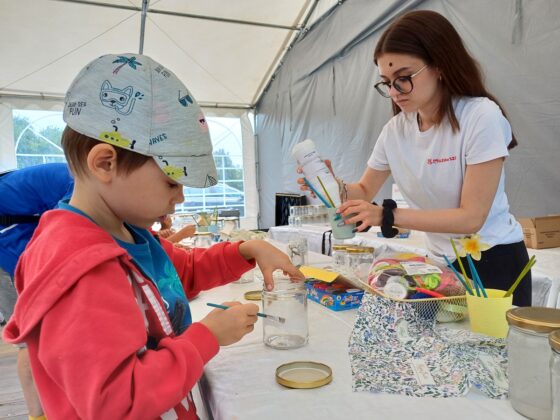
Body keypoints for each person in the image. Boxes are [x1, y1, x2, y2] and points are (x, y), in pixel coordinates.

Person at [3, 53, 304, 419]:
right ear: (104, 163)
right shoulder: (81, 268)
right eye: (171, 181)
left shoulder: (126, 232)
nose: (180, 196)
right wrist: (206, 337)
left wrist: (245, 250)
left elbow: (181, 273)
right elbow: (118, 402)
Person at [298, 10, 531, 306]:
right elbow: (364, 191)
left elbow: (472, 217)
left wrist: (387, 215)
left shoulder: (480, 117)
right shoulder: (396, 130)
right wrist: (331, 185)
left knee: (497, 350)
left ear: (440, 66)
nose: (394, 92)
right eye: (386, 82)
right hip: (441, 265)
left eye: (403, 78)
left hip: (493, 263)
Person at [0, 162, 74, 420]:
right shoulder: (79, 184)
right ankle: (39, 415)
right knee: (30, 341)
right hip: (10, 255)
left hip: (17, 248)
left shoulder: (80, 178)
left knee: (43, 338)